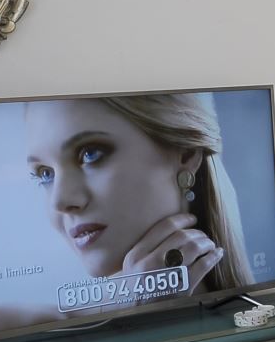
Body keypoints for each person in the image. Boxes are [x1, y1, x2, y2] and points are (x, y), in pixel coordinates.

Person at [23, 92, 255, 298]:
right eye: (45, 174)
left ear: (186, 154)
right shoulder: (21, 321)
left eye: (90, 154)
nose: (60, 201)